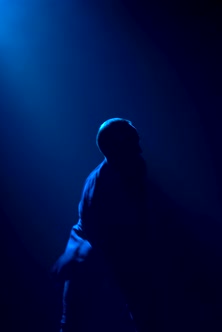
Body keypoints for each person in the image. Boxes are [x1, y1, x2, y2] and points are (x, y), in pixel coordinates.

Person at [51, 118, 158, 332]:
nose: (139, 148)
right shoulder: (100, 188)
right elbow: (101, 237)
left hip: (106, 246)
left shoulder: (134, 166)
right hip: (89, 248)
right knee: (73, 321)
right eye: (132, 143)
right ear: (114, 149)